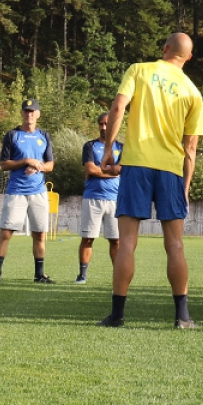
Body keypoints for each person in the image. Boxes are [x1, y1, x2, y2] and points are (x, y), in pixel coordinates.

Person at [97, 32, 203, 329]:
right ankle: (182, 317)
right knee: (175, 245)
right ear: (189, 57)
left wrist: (109, 149)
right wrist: (186, 186)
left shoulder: (140, 70)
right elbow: (191, 145)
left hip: (136, 165)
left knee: (128, 242)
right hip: (171, 170)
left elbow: (118, 108)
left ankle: (117, 315)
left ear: (164, 48)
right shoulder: (193, 91)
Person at [0, 99, 56, 284]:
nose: (29, 114)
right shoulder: (12, 135)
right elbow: (4, 164)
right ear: (22, 113)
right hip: (16, 191)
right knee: (6, 233)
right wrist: (27, 160)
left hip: (38, 191)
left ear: (38, 114)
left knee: (40, 234)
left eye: (32, 111)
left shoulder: (44, 135)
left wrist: (39, 167)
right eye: (26, 111)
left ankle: (39, 274)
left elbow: (50, 164)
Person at [77, 113, 122, 284]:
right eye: (100, 124)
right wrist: (112, 170)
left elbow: (122, 169)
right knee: (88, 238)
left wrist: (102, 170)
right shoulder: (89, 146)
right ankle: (82, 275)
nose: (103, 127)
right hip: (93, 198)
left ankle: (118, 276)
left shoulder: (122, 147)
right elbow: (91, 169)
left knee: (116, 240)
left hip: (115, 199)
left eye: (106, 124)